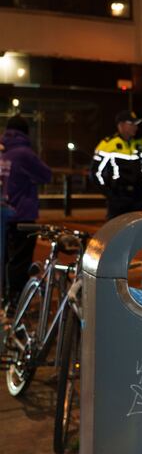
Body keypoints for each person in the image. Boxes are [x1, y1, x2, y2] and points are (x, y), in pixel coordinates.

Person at [1, 115, 52, 312]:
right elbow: (46, 174)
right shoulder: (23, 153)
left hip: (4, 213)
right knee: (20, 261)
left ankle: (7, 299)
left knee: (7, 259)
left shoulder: (3, 151)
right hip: (22, 214)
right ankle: (17, 303)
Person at [91, 110, 142, 220]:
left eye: (136, 124)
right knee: (116, 231)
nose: (135, 127)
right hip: (118, 197)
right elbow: (95, 172)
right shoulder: (108, 144)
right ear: (121, 125)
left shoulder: (141, 143)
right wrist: (109, 194)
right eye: (132, 124)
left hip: (138, 197)